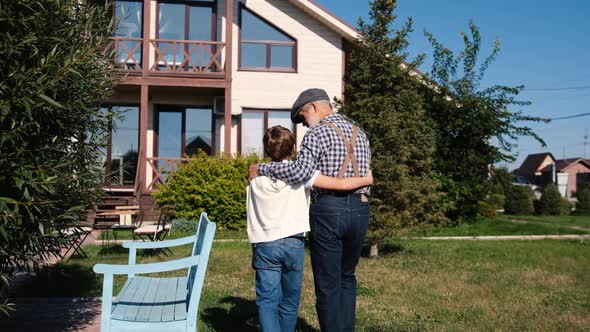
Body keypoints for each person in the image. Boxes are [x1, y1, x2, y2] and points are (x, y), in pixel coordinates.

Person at [249, 88, 372, 332]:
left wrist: (262, 168)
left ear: (314, 107)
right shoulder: (360, 133)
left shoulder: (318, 132)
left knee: (328, 282)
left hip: (329, 210)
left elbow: (299, 173)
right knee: (347, 276)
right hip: (361, 209)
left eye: (304, 117)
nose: (305, 124)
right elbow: (366, 176)